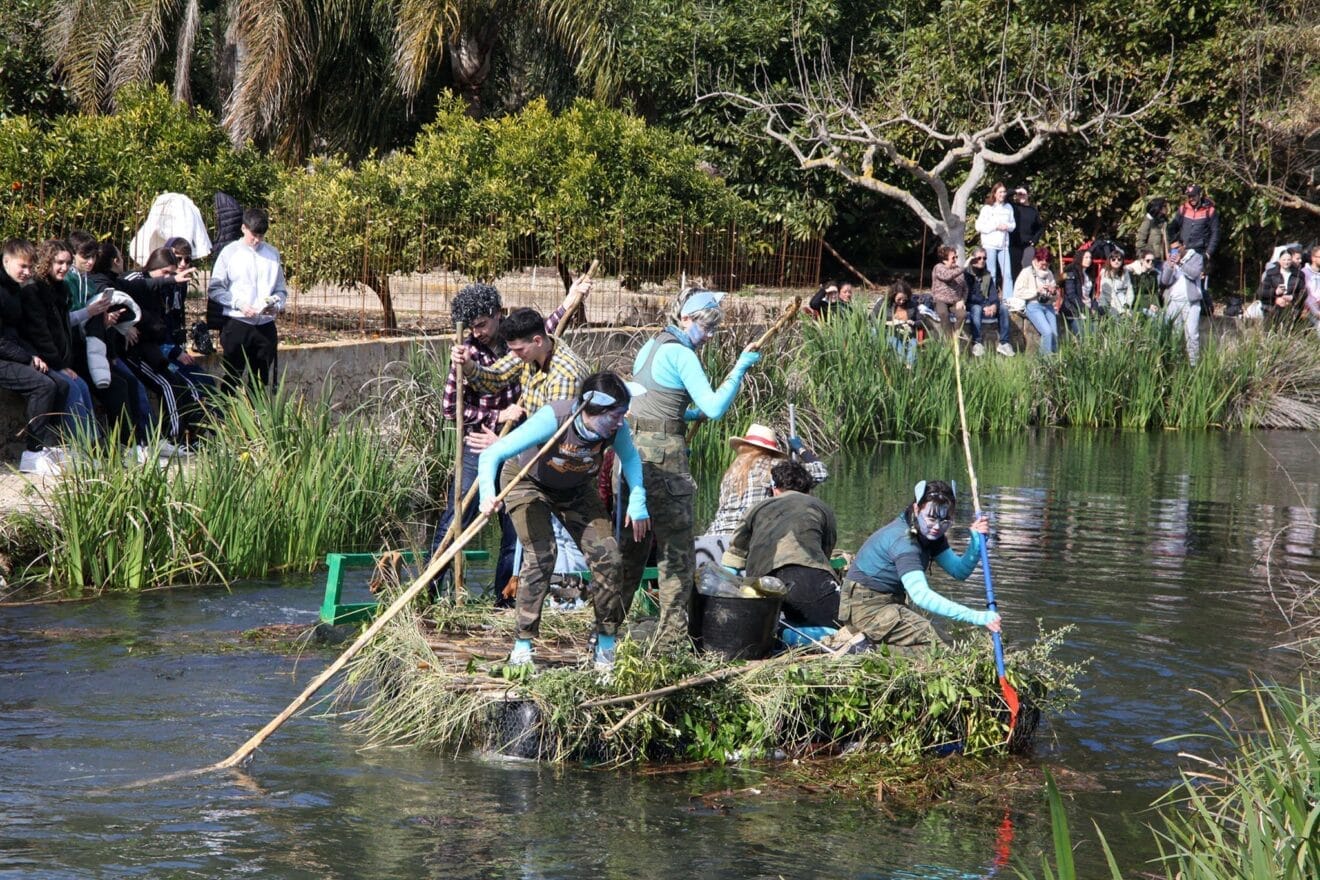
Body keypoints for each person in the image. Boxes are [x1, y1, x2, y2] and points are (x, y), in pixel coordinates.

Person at [477, 372, 650, 671]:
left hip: (577, 488)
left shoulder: (615, 429)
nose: (620, 421)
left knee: (609, 557)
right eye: (615, 415)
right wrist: (487, 495)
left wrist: (638, 500)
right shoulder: (554, 419)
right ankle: (523, 645)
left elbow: (631, 459)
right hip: (528, 482)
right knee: (543, 555)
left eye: (623, 414)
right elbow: (492, 455)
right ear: (591, 410)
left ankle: (605, 644)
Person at [619, 288, 761, 650]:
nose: (709, 336)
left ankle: (608, 631)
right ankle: (670, 644)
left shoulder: (651, 345)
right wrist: (739, 370)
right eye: (706, 328)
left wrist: (684, 415)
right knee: (676, 555)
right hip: (665, 460)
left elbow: (651, 402)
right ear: (685, 319)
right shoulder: (682, 353)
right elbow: (714, 407)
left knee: (632, 551)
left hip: (632, 456)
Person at [430, 282, 584, 601]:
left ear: (498, 315)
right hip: (478, 447)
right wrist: (497, 418)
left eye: (482, 324)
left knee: (514, 529)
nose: (477, 332)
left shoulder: (515, 343)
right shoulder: (469, 351)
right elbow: (450, 408)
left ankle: (505, 599)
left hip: (516, 446)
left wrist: (570, 300)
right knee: (456, 521)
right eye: (471, 327)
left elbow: (543, 331)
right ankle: (429, 590)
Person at [835, 480, 1000, 651]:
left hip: (888, 603)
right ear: (916, 509)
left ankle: (859, 641)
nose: (937, 526)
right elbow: (921, 596)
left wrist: (975, 543)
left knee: (942, 644)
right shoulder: (905, 541)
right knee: (943, 648)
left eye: (945, 520)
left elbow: (959, 571)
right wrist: (976, 617)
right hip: (866, 607)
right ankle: (860, 651)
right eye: (931, 518)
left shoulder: (928, 534)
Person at [721, 461, 839, 628]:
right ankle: (791, 635)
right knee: (838, 628)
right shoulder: (821, 507)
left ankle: (779, 633)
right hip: (808, 579)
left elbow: (734, 557)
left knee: (762, 627)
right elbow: (825, 551)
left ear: (774, 487)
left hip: (763, 583)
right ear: (808, 488)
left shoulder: (757, 508)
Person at [0, 240, 66, 475]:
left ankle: (53, 446)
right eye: (23, 266)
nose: (27, 272)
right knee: (43, 386)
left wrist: (34, 354)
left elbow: (15, 332)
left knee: (61, 383)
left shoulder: (16, 288)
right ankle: (32, 453)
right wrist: (27, 357)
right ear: (6, 261)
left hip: (12, 352)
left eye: (30, 267)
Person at [24, 240, 99, 444]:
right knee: (72, 388)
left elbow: (62, 328)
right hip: (40, 357)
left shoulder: (61, 288)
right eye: (59, 262)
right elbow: (40, 333)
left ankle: (92, 443)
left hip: (58, 358)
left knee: (81, 385)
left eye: (68, 263)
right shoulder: (34, 290)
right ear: (47, 261)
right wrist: (59, 365)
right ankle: (81, 446)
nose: (64, 268)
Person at [207, 207, 287, 390]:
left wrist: (276, 303)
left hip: (265, 324)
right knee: (232, 377)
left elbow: (281, 289)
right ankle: (228, 416)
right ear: (243, 228)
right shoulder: (229, 252)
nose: (257, 240)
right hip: (238, 323)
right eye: (254, 235)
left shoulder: (273, 254)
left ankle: (257, 417)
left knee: (260, 381)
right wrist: (239, 304)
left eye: (261, 236)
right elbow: (215, 288)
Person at [707, 423, 828, 536]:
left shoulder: (730, 473)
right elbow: (821, 472)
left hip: (716, 534)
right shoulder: (772, 465)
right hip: (749, 534)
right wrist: (801, 449)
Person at [1167, 184, 1222, 315]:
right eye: (1189, 196)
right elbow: (1173, 227)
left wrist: (1209, 253)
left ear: (1200, 195)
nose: (1191, 199)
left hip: (1199, 251)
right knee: (1175, 277)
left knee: (1200, 282)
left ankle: (1205, 311)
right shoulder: (1183, 209)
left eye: (1193, 196)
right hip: (1182, 249)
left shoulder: (1210, 210)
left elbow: (1215, 233)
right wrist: (1173, 242)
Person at [1159, 240, 1204, 365]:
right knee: (1174, 334)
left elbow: (1195, 274)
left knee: (1192, 334)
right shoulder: (1171, 260)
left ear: (1183, 246)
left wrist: (1181, 263)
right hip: (1173, 302)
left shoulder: (1196, 257)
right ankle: (1175, 362)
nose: (1176, 251)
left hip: (1191, 302)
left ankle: (1193, 364)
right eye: (1172, 249)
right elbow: (1165, 281)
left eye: (1177, 248)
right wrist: (1170, 266)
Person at [1010, 247, 1061, 354]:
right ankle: (1045, 361)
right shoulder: (1026, 272)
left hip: (1048, 306)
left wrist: (1052, 292)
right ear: (1036, 261)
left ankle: (1055, 359)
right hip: (1033, 306)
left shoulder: (1049, 273)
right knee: (1047, 332)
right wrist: (1036, 291)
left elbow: (1055, 297)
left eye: (1047, 265)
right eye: (1042, 264)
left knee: (1055, 334)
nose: (1045, 267)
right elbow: (1017, 292)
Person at [965, 247, 1014, 357]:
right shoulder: (966, 275)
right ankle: (977, 343)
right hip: (971, 304)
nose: (982, 260)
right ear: (973, 259)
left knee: (1004, 308)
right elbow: (970, 297)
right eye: (979, 258)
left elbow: (993, 295)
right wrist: (984, 306)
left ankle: (1004, 343)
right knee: (976, 309)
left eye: (984, 258)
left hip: (986, 305)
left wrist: (994, 305)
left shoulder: (987, 275)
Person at [974, 181, 1016, 307]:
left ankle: (1008, 300)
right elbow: (979, 226)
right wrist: (995, 226)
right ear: (995, 194)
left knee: (1007, 273)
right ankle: (988, 298)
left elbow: (1013, 225)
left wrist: (1006, 226)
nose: (1002, 194)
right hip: (990, 245)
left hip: (1003, 245)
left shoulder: (1009, 208)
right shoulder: (987, 208)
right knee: (991, 272)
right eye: (1000, 192)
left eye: (1004, 192)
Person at [1256, 246, 1307, 328]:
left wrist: (1292, 298)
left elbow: (1303, 293)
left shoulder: (1299, 275)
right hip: (1272, 310)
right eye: (1284, 260)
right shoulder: (1270, 273)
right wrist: (1275, 293)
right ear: (1279, 260)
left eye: (1289, 260)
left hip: (1290, 310)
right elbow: (1261, 292)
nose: (1286, 262)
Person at [873, 279, 920, 367]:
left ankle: (909, 367)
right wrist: (887, 323)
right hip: (890, 332)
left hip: (907, 333)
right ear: (893, 295)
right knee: (895, 342)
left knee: (914, 344)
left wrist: (913, 323)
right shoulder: (883, 303)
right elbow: (872, 317)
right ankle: (900, 365)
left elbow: (921, 321)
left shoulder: (912, 304)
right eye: (899, 299)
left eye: (904, 299)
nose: (902, 301)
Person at [929, 246, 968, 338]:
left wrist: (962, 300)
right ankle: (949, 338)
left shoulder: (958, 270)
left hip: (955, 301)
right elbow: (947, 276)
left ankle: (955, 334)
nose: (955, 260)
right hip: (941, 300)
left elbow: (965, 288)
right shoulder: (938, 268)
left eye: (956, 257)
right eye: (953, 258)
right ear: (945, 259)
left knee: (962, 314)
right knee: (943, 313)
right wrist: (963, 268)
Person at [1061, 248, 1100, 336]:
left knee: (1095, 333)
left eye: (1090, 257)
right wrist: (1085, 309)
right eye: (1086, 257)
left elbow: (1092, 296)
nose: (1089, 260)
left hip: (1088, 310)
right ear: (1080, 258)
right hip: (1074, 310)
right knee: (1083, 334)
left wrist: (1094, 307)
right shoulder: (1071, 273)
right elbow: (1071, 295)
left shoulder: (1089, 274)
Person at [1008, 185, 1043, 273]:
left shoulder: (1033, 211)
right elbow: (1004, 196)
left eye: (1024, 194)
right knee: (1014, 269)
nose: (1022, 196)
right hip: (1013, 244)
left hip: (1027, 245)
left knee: (1026, 268)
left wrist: (1034, 240)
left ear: (1028, 195)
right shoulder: (1013, 207)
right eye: (1020, 194)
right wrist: (1016, 190)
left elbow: (1040, 227)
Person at [1099, 248, 1136, 317]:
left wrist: (1128, 305)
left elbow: (1129, 290)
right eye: (1113, 259)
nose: (1116, 261)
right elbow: (1111, 296)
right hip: (1109, 303)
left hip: (1123, 301)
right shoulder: (1105, 273)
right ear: (1110, 261)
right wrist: (1122, 311)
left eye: (1119, 259)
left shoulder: (1125, 272)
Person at [1135, 198, 1169, 264]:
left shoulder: (1164, 222)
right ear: (1158, 207)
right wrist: (1149, 254)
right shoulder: (1148, 221)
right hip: (1151, 260)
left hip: (1163, 260)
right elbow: (1140, 243)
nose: (1166, 208)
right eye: (1164, 206)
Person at [1131, 249, 1161, 314]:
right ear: (1142, 260)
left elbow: (1155, 292)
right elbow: (1135, 294)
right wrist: (1148, 306)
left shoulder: (1153, 274)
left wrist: (1155, 304)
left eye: (1153, 261)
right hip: (1139, 306)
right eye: (1148, 260)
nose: (1151, 262)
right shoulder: (1135, 275)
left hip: (1152, 305)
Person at [1303, 248, 1320, 332]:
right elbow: (1306, 296)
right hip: (1310, 309)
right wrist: (1315, 311)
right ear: (1313, 258)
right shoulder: (1304, 273)